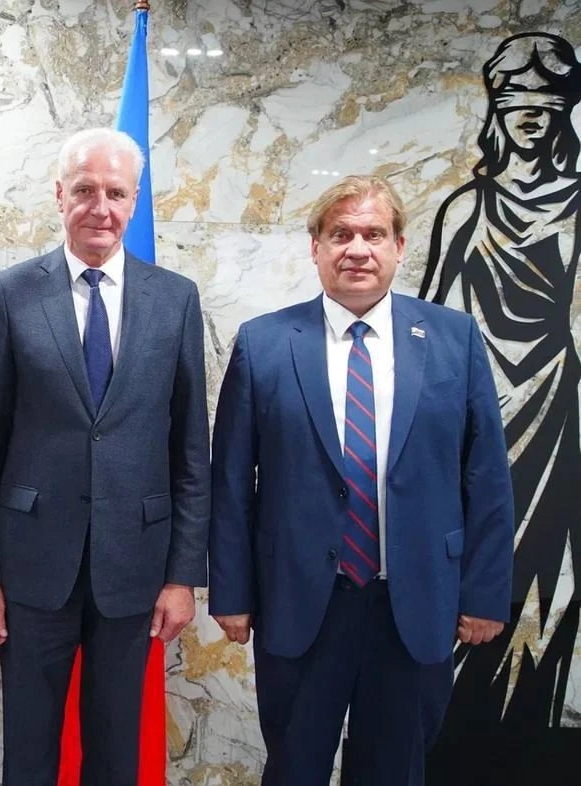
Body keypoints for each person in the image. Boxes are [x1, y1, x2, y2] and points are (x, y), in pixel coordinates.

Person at [209, 175, 514, 786]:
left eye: (373, 234)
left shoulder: (453, 340)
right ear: (315, 247)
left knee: (395, 771)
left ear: (399, 247)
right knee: (294, 768)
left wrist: (483, 595)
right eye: (340, 234)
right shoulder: (264, 344)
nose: (357, 249)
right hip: (301, 606)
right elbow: (232, 482)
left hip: (414, 606)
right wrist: (232, 593)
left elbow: (485, 476)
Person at [0, 127, 210, 785]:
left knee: (116, 753)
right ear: (59, 195)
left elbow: (190, 450)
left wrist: (183, 575)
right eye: (85, 190)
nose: (101, 207)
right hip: (31, 564)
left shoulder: (175, 298)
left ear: (135, 201)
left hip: (135, 565)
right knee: (28, 750)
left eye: (116, 193)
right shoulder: (11, 292)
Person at [419, 32, 581, 759]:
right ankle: (442, 727)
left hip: (554, 411)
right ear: (497, 109)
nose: (532, 117)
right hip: (474, 418)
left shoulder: (578, 203)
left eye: (547, 104)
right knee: (459, 563)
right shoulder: (466, 207)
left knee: (540, 577)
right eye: (518, 103)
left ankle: (516, 736)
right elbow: (424, 325)